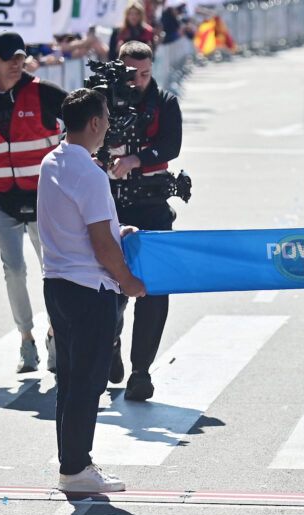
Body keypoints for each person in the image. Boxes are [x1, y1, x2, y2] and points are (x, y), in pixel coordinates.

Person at [38, 88, 146, 493]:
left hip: (59, 284)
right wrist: (129, 282)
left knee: (70, 381)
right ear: (96, 123)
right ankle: (76, 468)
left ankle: (73, 462)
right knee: (87, 382)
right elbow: (101, 244)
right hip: (89, 289)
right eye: (105, 118)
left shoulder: (52, 160)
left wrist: (119, 232)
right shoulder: (89, 171)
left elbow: (84, 227)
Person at [0, 31, 65, 372]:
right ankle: (26, 340)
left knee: (51, 271)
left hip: (42, 194)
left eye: (21, 57)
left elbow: (83, 117)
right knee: (15, 270)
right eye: (9, 58)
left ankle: (55, 333)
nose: (16, 64)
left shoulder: (42, 91)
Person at [106, 40, 183, 401]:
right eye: (130, 73)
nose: (137, 80)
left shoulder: (165, 102)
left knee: (153, 290)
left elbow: (171, 146)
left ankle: (141, 371)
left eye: (145, 73)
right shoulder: (101, 100)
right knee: (108, 285)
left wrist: (137, 158)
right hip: (109, 208)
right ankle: (110, 341)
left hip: (151, 208)